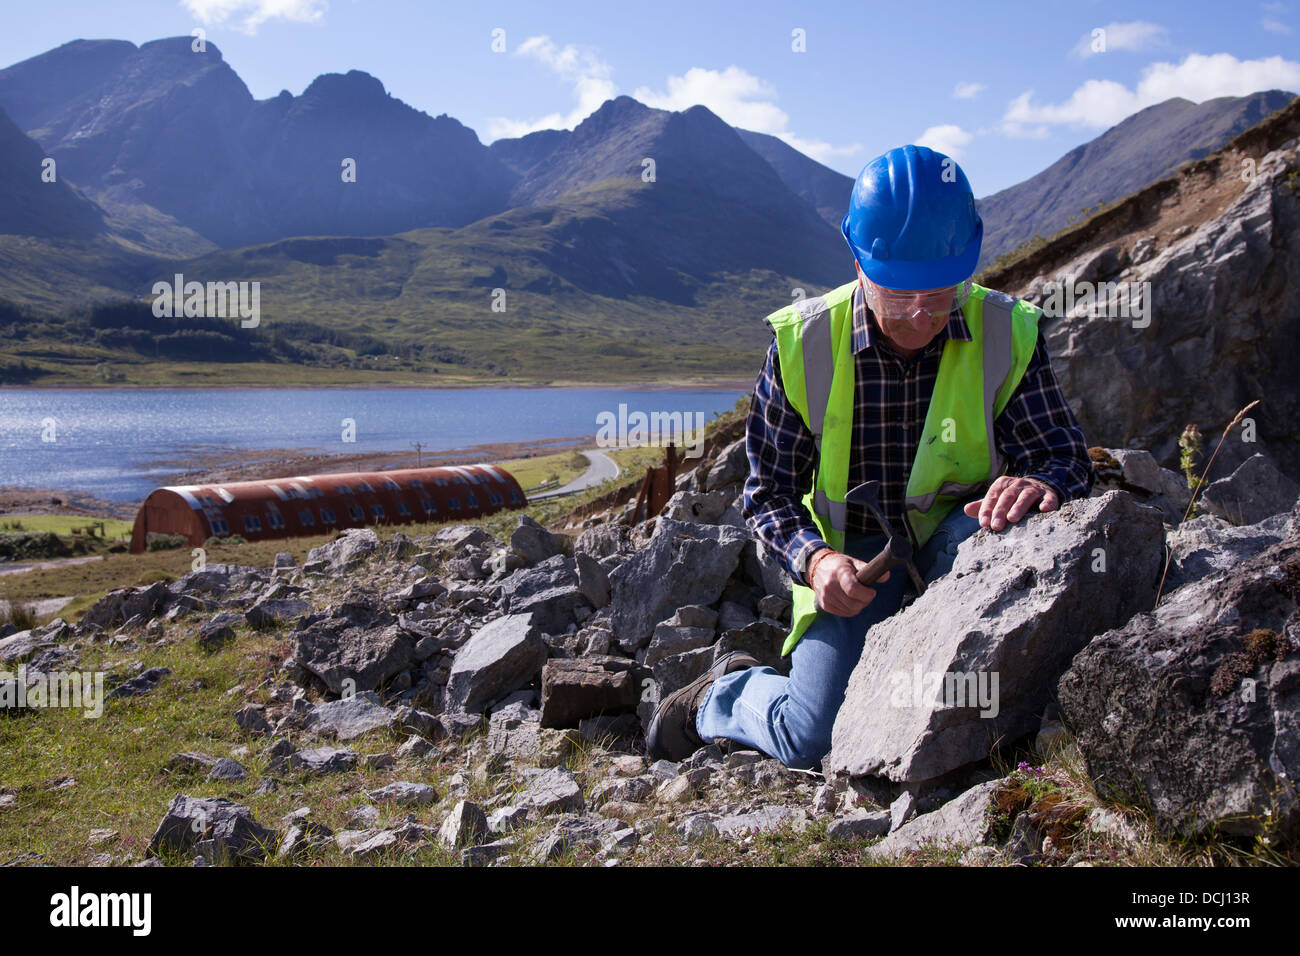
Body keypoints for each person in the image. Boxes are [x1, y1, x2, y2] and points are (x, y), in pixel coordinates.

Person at [647, 144, 1095, 768]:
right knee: (812, 739)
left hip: (964, 545)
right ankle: (722, 694)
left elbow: (1065, 458)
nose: (924, 316)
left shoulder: (1006, 330)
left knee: (988, 708)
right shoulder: (804, 344)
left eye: (944, 293)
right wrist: (817, 561)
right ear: (859, 263)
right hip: (855, 563)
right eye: (901, 293)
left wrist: (1038, 484)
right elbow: (767, 492)